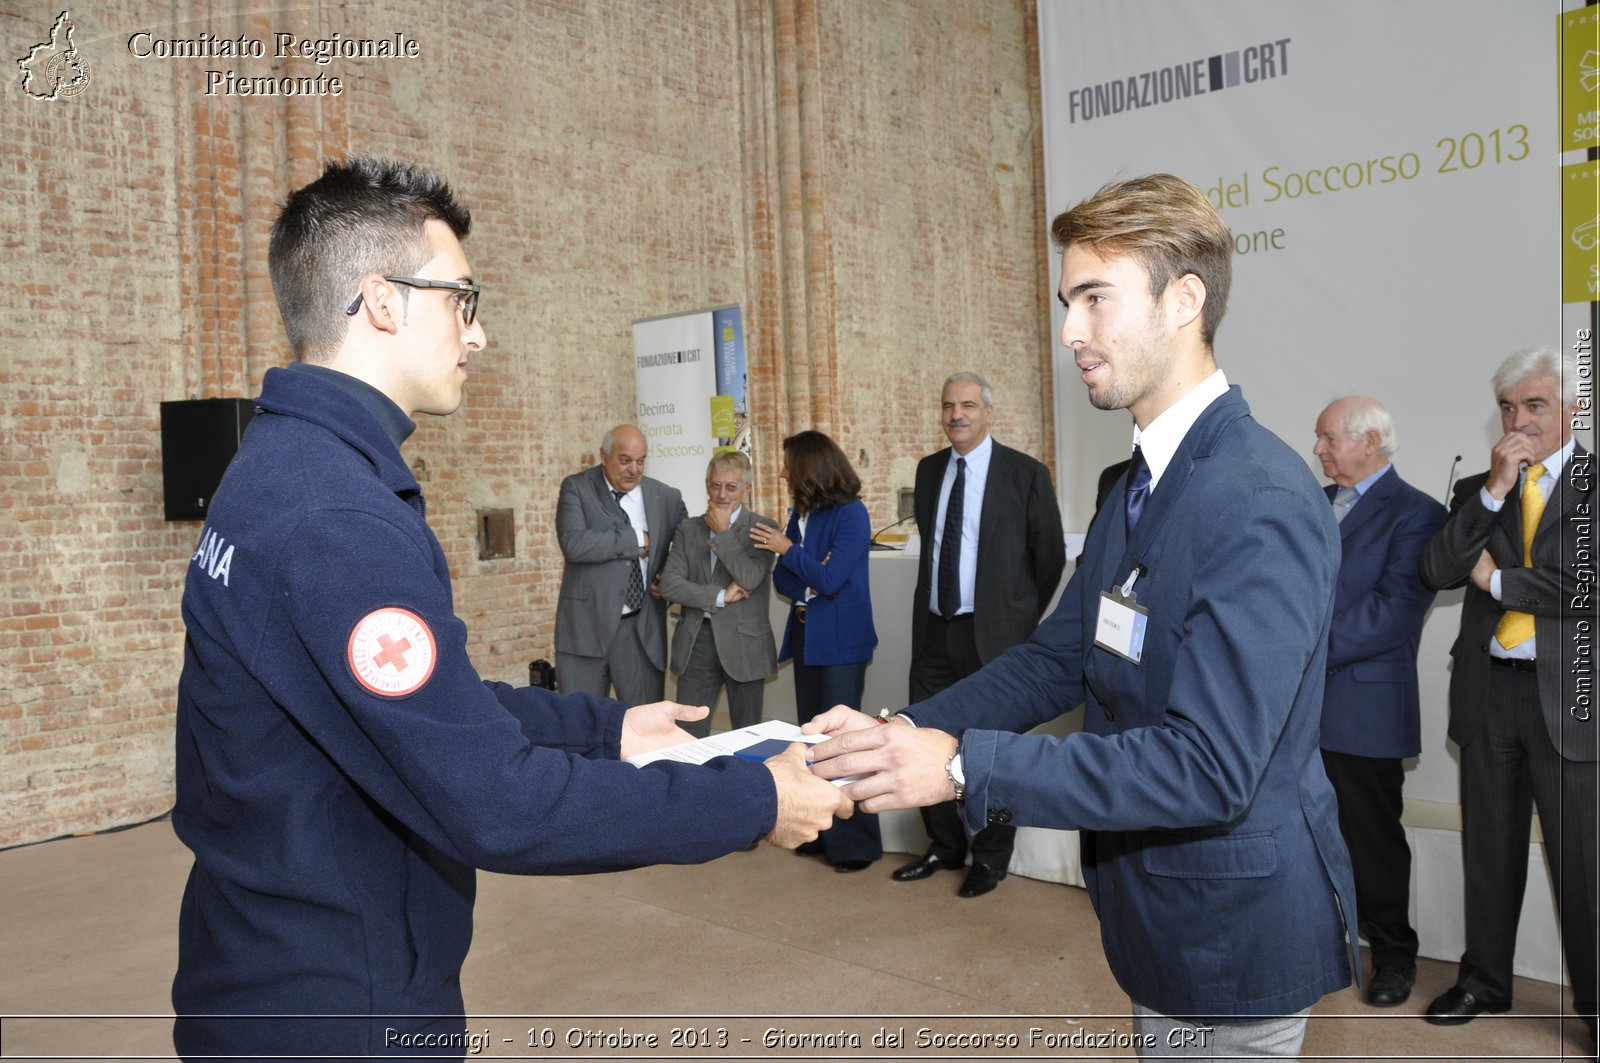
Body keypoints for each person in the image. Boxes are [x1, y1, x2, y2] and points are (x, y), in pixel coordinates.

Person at [170, 155, 850, 1058]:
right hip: (338, 1001)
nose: (478, 334)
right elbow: (500, 802)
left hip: (272, 961)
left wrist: (602, 730)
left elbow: (427, 708)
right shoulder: (339, 518)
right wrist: (750, 799)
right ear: (381, 301)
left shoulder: (277, 467)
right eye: (462, 298)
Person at [806, 173, 1357, 1057]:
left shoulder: (1257, 497)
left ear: (1186, 300)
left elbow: (1208, 767)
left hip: (1232, 926)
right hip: (1158, 907)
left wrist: (957, 767)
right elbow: (1060, 656)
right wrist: (903, 727)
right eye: (1069, 302)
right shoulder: (1139, 482)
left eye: (1096, 299)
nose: (1070, 332)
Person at [1418, 346, 1596, 1049]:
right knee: (1488, 850)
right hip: (1491, 694)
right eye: (1508, 406)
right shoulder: (1477, 491)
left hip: (1572, 705)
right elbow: (1435, 567)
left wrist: (1495, 582)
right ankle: (1484, 980)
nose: (1517, 420)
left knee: (1584, 868)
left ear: (1574, 409)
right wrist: (1493, 489)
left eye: (1536, 405)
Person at [894, 371, 1065, 898]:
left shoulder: (1025, 474)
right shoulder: (927, 472)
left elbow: (1050, 558)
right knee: (921, 737)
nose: (957, 415)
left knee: (988, 749)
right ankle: (944, 846)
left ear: (989, 413)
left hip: (995, 640)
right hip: (934, 634)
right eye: (948, 406)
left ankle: (989, 858)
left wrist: (1014, 618)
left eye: (968, 405)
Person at [1311, 395, 1445, 1007]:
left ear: (1369, 442)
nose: (1317, 450)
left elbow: (1391, 614)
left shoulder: (1417, 513)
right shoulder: (1313, 505)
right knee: (1308, 832)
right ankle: (1319, 946)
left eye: (1328, 439)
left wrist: (1299, 654)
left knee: (1371, 839)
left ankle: (1393, 954)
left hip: (1364, 710)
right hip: (1298, 711)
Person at [755, 430, 883, 872]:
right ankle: (821, 832)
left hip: (842, 642)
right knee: (811, 739)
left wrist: (790, 551)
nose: (783, 471)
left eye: (789, 464)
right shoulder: (800, 514)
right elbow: (784, 583)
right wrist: (808, 566)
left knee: (843, 744)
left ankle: (857, 846)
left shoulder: (852, 514)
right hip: (807, 635)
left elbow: (829, 581)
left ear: (810, 467)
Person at [555, 424, 686, 703]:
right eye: (625, 460)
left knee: (646, 729)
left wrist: (669, 576)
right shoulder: (576, 488)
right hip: (585, 631)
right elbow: (574, 544)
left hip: (642, 632)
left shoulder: (667, 497)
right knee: (580, 726)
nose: (634, 470)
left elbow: (687, 545)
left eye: (641, 461)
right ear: (604, 455)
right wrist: (637, 539)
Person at [658, 451, 779, 738]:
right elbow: (670, 585)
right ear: (706, 484)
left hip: (745, 645)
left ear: (747, 489)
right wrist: (720, 596)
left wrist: (723, 533)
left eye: (731, 487)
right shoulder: (688, 529)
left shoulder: (763, 528)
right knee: (688, 734)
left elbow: (750, 577)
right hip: (696, 643)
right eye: (715, 485)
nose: (722, 494)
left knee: (748, 737)